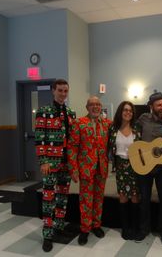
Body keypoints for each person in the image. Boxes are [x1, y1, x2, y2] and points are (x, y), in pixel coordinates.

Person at [35, 79, 76, 252]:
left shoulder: (71, 112)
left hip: (66, 163)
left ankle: (59, 229)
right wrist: (43, 160)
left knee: (62, 199)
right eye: (60, 90)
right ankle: (47, 236)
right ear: (53, 91)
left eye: (65, 91)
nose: (63, 94)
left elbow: (73, 140)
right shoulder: (43, 111)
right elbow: (39, 137)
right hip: (50, 163)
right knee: (48, 200)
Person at [67, 96, 111, 245]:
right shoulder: (79, 123)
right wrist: (73, 169)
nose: (95, 107)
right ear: (87, 107)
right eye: (92, 104)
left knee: (99, 198)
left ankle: (96, 225)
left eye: (98, 104)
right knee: (86, 200)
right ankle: (85, 229)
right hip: (85, 168)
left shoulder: (107, 124)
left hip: (102, 168)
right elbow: (72, 147)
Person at [135, 92, 162, 245]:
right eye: (159, 105)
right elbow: (135, 138)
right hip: (144, 165)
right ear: (151, 106)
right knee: (144, 199)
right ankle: (144, 229)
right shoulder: (142, 118)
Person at [108, 101, 141, 240]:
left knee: (135, 196)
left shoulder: (137, 128)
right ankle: (125, 228)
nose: (128, 112)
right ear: (120, 112)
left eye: (130, 111)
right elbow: (109, 148)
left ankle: (135, 227)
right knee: (123, 196)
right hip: (121, 166)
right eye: (125, 110)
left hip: (135, 166)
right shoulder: (113, 129)